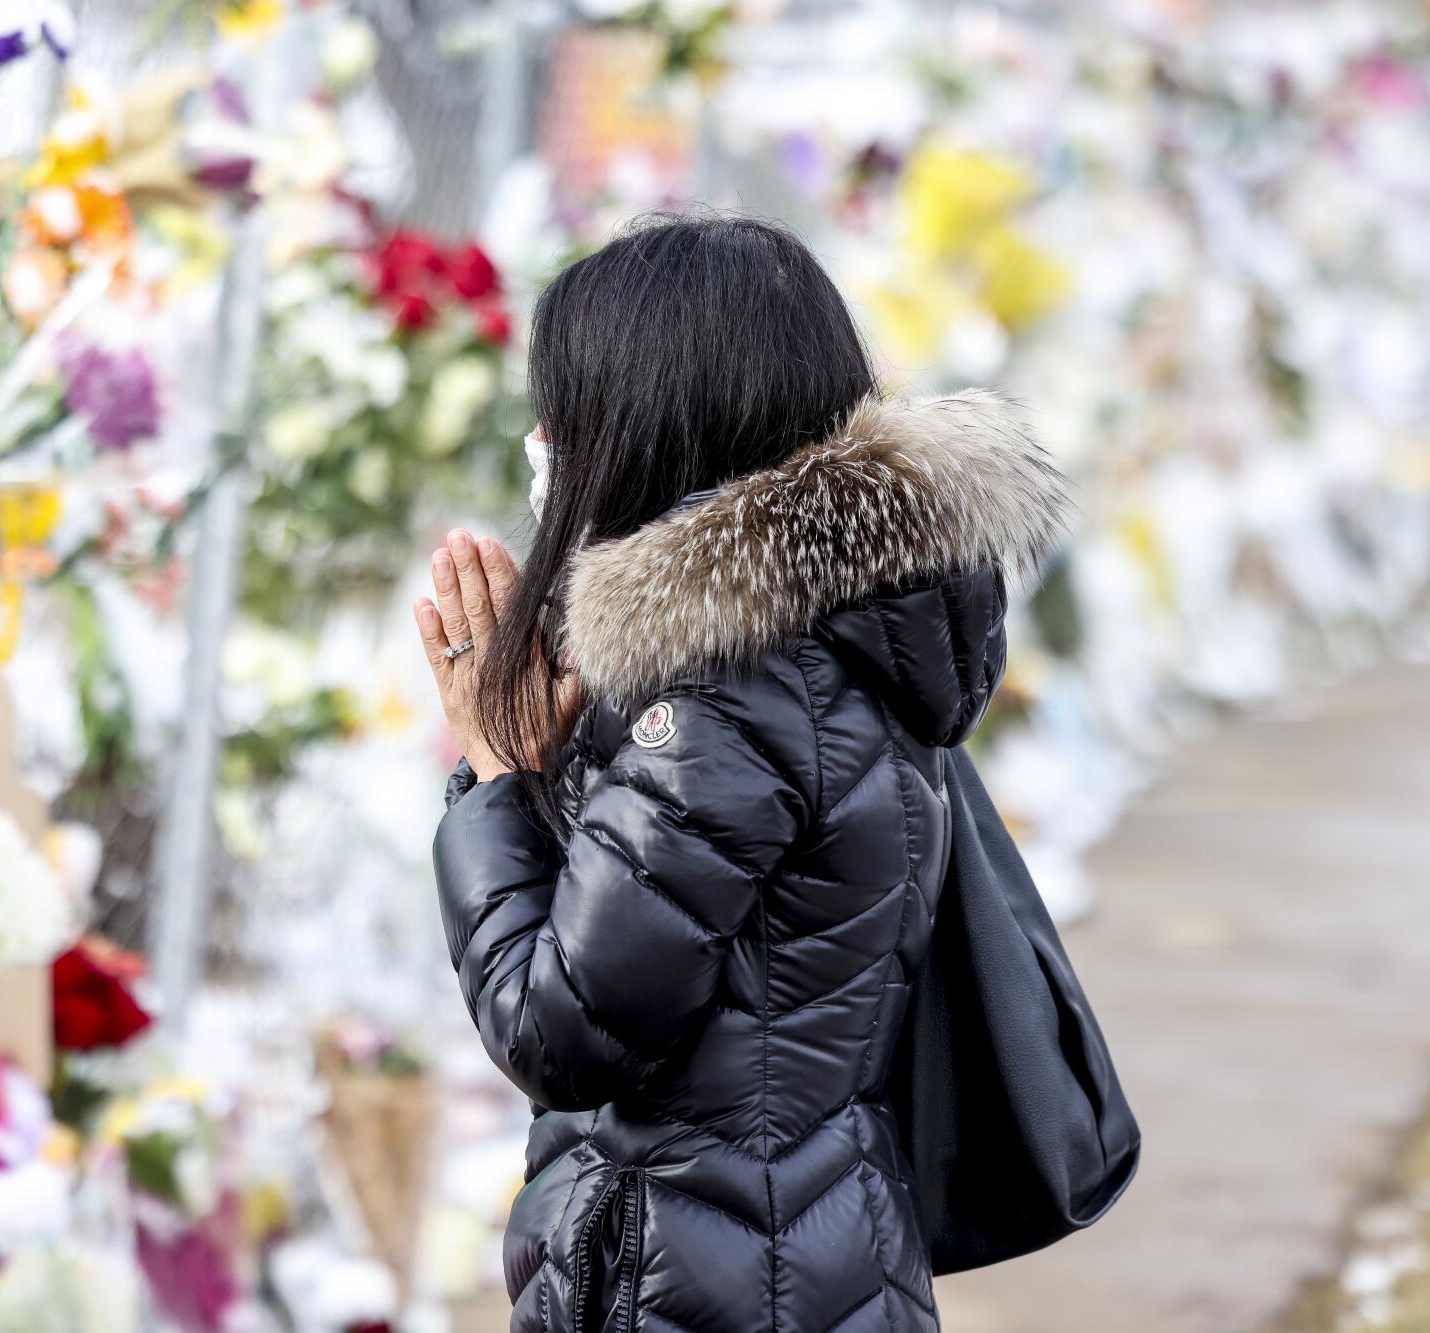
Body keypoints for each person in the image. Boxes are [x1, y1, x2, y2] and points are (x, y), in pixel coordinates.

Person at [416, 214, 1068, 1333]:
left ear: (652, 416)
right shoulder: (835, 641)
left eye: (561, 405)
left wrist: (493, 774)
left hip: (712, 1272)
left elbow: (562, 1032)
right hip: (797, 1242)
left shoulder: (725, 696)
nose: (540, 435)